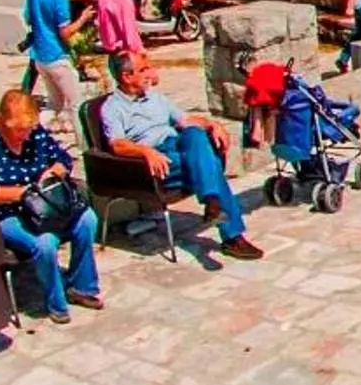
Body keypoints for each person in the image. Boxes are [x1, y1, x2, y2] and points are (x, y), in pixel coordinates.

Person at [100, 56, 266, 260]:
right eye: (144, 70)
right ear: (126, 76)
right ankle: (231, 234)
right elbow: (117, 144)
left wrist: (212, 124)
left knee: (195, 133)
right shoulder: (112, 107)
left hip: (178, 145)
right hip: (153, 160)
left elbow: (185, 120)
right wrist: (146, 152)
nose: (150, 74)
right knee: (210, 164)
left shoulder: (155, 97)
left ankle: (212, 200)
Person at [0, 90, 101, 323]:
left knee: (87, 219)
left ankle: (82, 286)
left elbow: (63, 159)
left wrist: (53, 172)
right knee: (45, 243)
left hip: (45, 203)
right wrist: (24, 194)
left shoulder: (33, 132)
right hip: (8, 210)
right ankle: (56, 303)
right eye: (20, 131)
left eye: (29, 130)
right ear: (4, 123)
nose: (26, 136)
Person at [24, 0, 87, 129]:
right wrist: (83, 19)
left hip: (39, 56)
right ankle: (85, 146)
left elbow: (28, 17)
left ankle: (30, 129)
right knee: (78, 105)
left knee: (54, 104)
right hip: (56, 56)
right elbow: (65, 32)